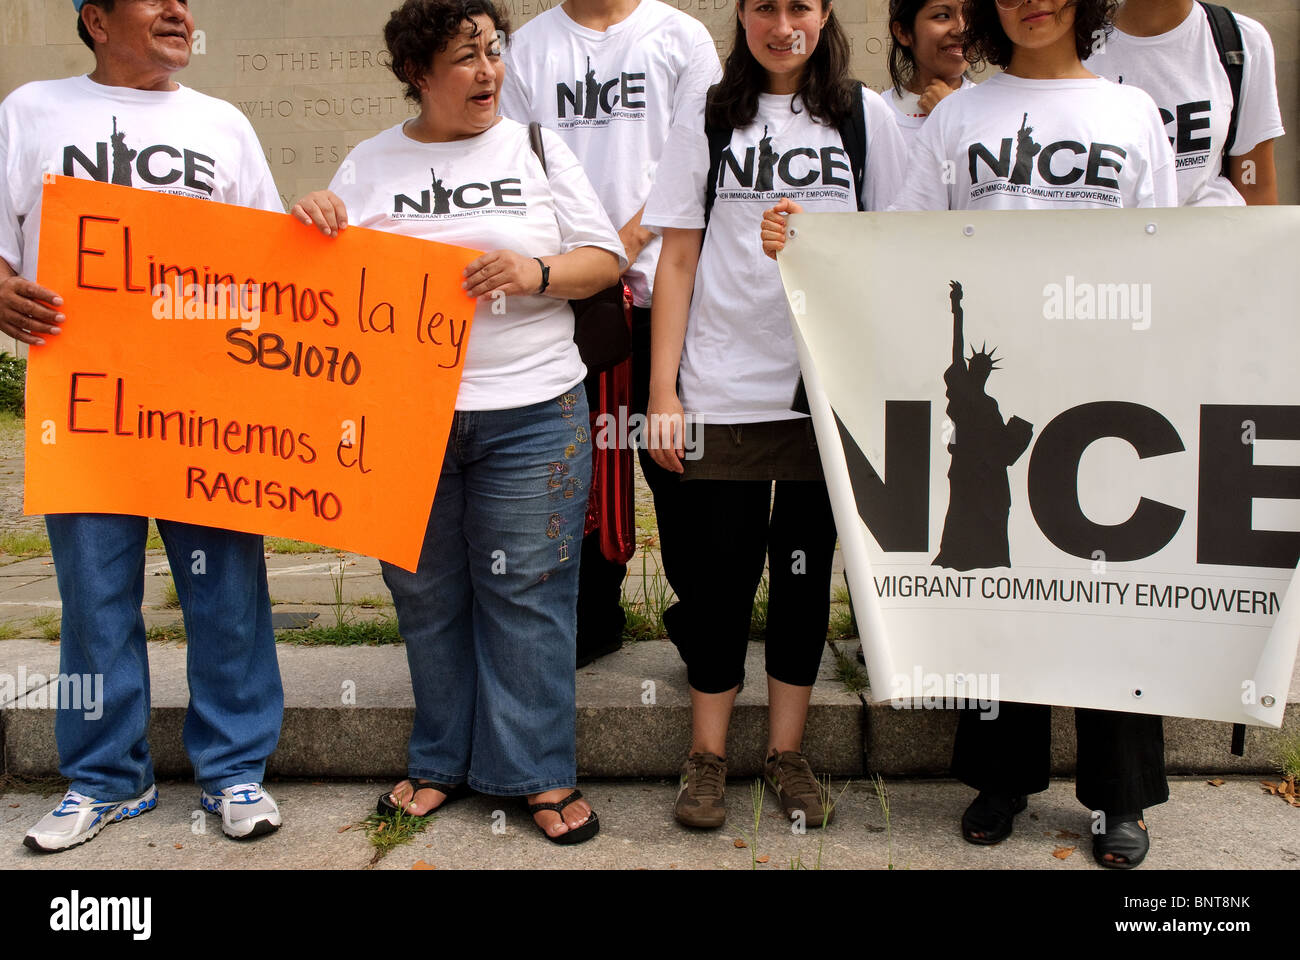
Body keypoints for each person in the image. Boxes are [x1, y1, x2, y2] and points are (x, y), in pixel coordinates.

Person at [293, 0, 625, 844]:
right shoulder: (370, 161)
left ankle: (538, 774)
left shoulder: (536, 147)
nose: (487, 72)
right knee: (426, 590)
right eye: (464, 57)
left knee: (531, 591)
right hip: (408, 418)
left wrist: (537, 268)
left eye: (493, 51)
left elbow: (604, 259)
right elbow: (325, 283)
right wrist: (316, 218)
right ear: (417, 73)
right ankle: (440, 760)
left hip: (532, 408)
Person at [891, 0, 1176, 869]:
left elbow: (1165, 249)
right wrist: (808, 243)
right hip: (1004, 387)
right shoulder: (961, 115)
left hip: (1104, 383)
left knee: (1109, 581)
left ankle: (1120, 797)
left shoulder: (1131, 113)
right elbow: (901, 241)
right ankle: (1000, 775)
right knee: (1001, 575)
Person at [2, 0, 286, 852]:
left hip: (207, 402)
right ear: (94, 18)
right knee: (94, 599)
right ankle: (104, 780)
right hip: (84, 402)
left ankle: (235, 772)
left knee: (227, 592)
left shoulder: (222, 122)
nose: (178, 10)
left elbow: (271, 253)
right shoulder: (30, 111)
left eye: (185, 0)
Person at [644, 0, 905, 829]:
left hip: (822, 395)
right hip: (722, 388)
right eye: (765, 6)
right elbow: (677, 255)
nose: (782, 24)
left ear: (824, 14)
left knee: (802, 580)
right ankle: (708, 757)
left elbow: (896, 248)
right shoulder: (709, 111)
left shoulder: (867, 117)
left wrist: (816, 243)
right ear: (743, 16)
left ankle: (788, 756)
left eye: (800, 5)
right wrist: (663, 390)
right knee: (718, 584)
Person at [499, 0, 722, 668]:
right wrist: (582, 266)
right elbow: (514, 166)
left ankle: (707, 628)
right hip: (568, 299)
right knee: (577, 471)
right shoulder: (529, 49)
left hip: (668, 293)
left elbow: (700, 158)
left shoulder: (680, 38)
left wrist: (621, 247)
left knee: (679, 469)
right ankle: (588, 619)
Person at [1084, 0, 1284, 206]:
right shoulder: (1074, 40)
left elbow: (1254, 185)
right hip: (1108, 232)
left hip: (1209, 232)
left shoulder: (1241, 38)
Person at [886, 0, 977, 148]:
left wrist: (947, 114)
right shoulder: (876, 114)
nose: (961, 29)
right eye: (942, 15)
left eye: (970, 15)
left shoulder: (995, 108)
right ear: (903, 32)